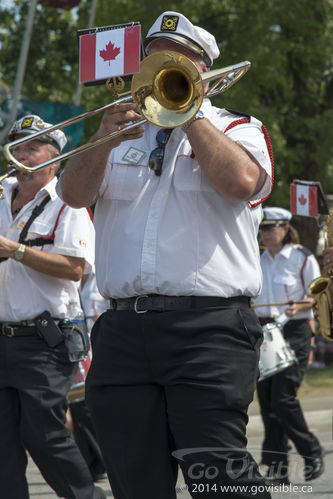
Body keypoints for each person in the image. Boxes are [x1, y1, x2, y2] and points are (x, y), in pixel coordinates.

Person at [59, 11, 274, 499]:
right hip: (121, 333)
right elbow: (72, 194)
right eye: (152, 58)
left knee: (219, 477)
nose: (159, 67)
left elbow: (242, 183)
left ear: (205, 73)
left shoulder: (239, 128)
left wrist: (188, 111)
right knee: (135, 481)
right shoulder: (120, 136)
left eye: (175, 63)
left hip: (209, 330)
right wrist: (101, 138)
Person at [0, 114, 106, 499]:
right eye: (17, 147)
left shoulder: (68, 204)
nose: (22, 155)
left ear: (54, 160)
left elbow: (75, 269)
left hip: (44, 340)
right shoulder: (0, 195)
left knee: (44, 435)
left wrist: (16, 250)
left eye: (32, 148)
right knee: (2, 443)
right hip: (2, 336)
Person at [252, 207, 324, 485]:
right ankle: (277, 466)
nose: (265, 233)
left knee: (283, 399)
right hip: (263, 331)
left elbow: (316, 297)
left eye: (271, 228)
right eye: (263, 229)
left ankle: (311, 450)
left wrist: (301, 305)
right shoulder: (257, 257)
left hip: (293, 331)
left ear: (285, 229)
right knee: (268, 403)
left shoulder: (302, 257)